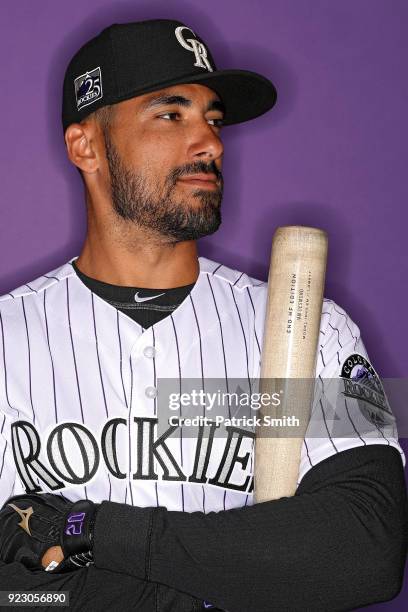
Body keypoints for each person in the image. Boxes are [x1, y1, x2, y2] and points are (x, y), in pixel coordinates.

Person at [0, 18, 406, 612]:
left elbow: (365, 551)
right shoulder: (8, 337)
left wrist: (92, 533)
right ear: (85, 146)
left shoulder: (313, 326)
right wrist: (226, 580)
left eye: (212, 120)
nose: (210, 143)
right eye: (172, 114)